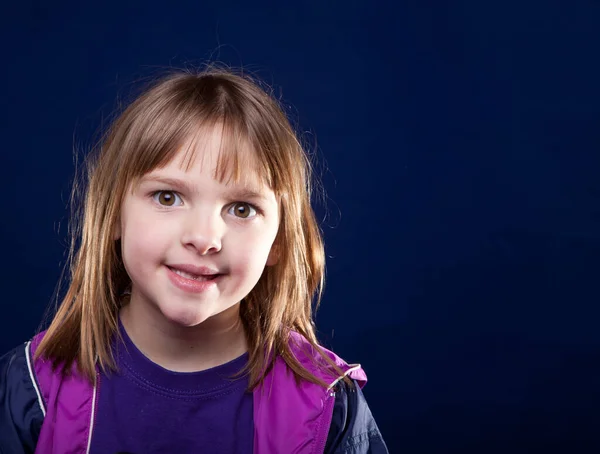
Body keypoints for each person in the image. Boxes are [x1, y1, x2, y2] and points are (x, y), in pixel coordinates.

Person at [0, 68, 388, 454]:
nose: (204, 239)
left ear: (280, 242)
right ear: (113, 214)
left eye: (241, 208)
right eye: (168, 197)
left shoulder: (328, 405)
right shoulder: (32, 389)